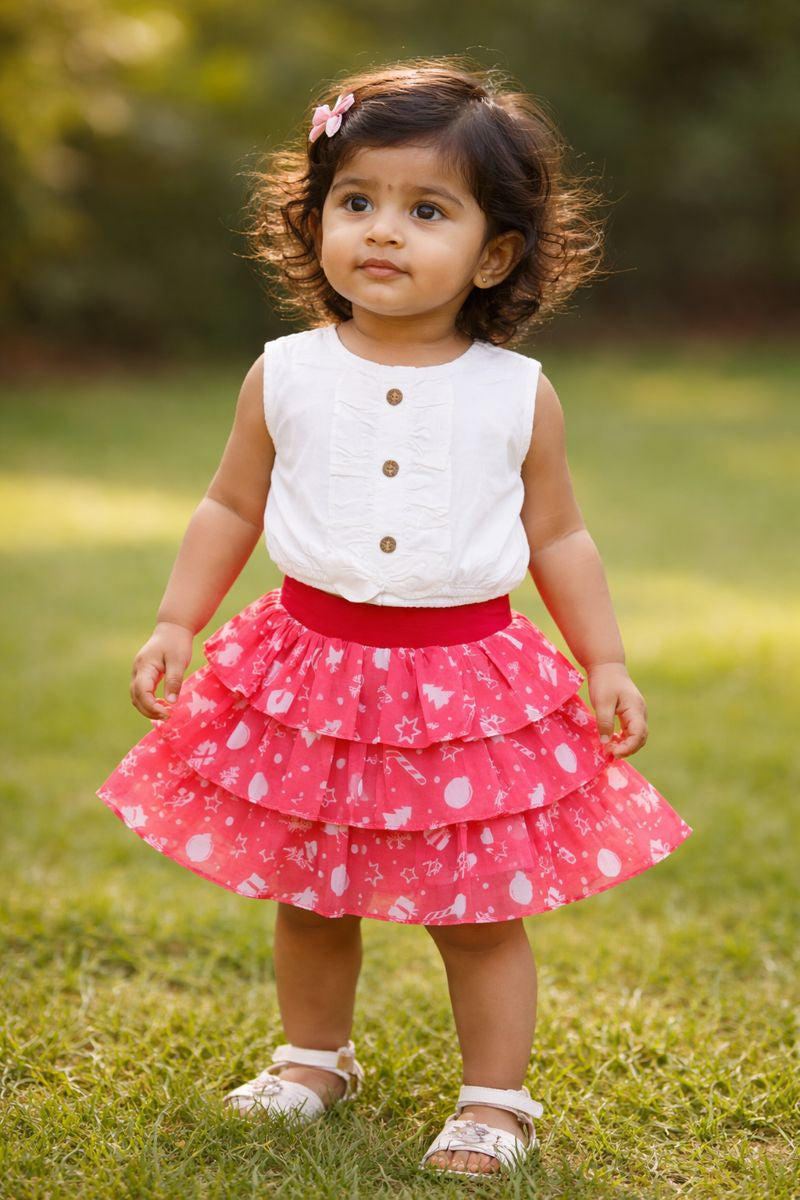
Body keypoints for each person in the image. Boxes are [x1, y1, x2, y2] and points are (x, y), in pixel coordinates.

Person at [96, 57, 693, 1180]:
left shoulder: (515, 392)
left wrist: (603, 657)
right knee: (311, 892)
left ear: (493, 254)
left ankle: (494, 1101)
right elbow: (231, 505)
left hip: (461, 683)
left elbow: (560, 535)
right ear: (315, 219)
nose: (383, 230)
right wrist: (177, 621)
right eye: (356, 200)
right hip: (309, 674)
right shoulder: (283, 373)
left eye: (427, 211)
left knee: (476, 911)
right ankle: (313, 1057)